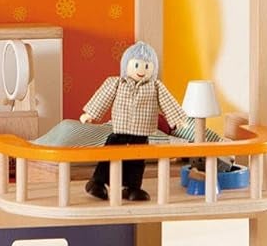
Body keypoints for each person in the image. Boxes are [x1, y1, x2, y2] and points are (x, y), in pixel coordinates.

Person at [79, 40, 190, 201]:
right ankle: (97, 182)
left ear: (153, 68)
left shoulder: (155, 87)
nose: (141, 71)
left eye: (146, 66)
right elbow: (103, 98)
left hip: (141, 135)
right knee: (108, 158)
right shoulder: (118, 83)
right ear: (127, 65)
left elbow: (168, 103)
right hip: (119, 133)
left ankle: (131, 187)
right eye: (137, 65)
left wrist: (178, 119)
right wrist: (90, 113)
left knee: (136, 162)